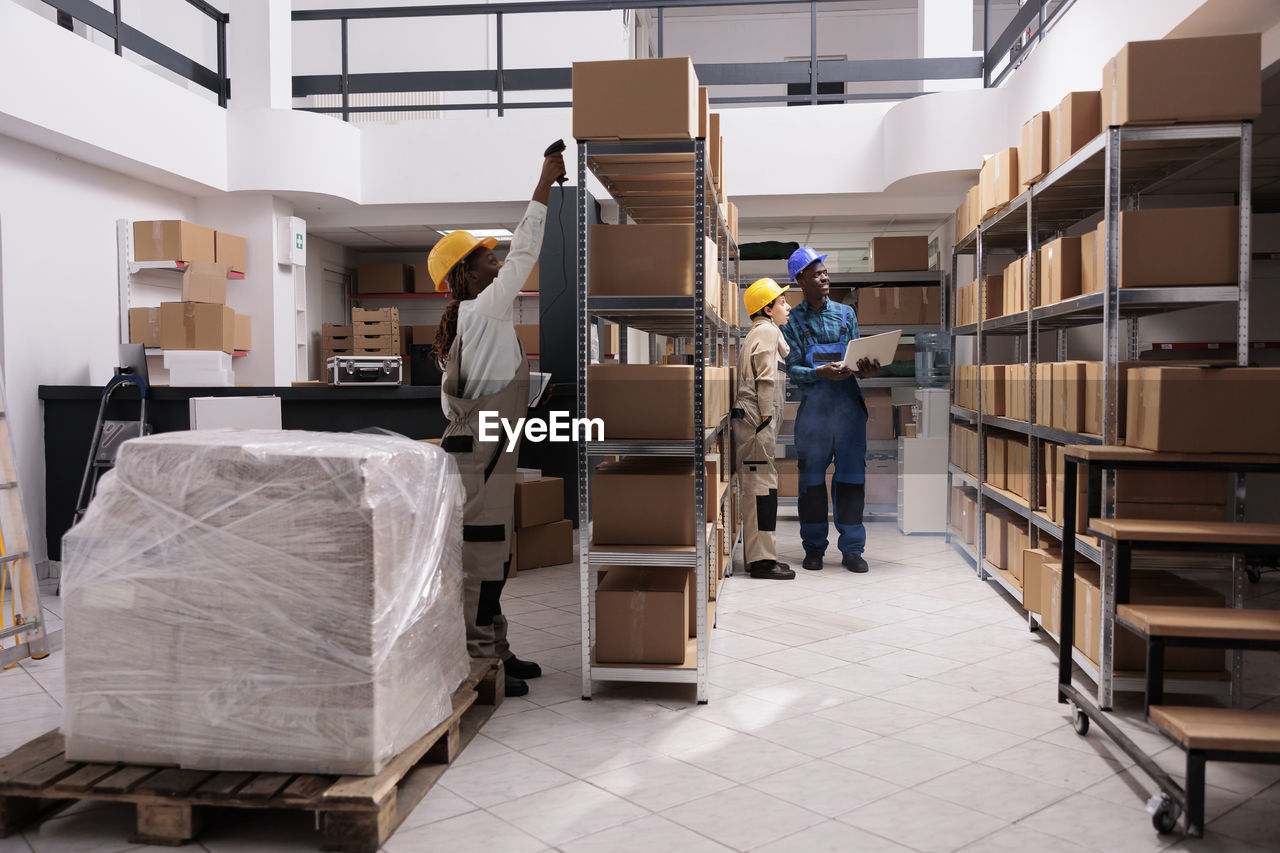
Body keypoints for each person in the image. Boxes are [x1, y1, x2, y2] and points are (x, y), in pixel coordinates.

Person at [429, 147, 566, 697]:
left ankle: (497, 648)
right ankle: (479, 660)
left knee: (497, 556)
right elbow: (526, 250)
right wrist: (544, 182)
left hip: (485, 454)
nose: (497, 263)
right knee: (484, 563)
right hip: (479, 462)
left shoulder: (473, 321)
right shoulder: (482, 311)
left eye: (494, 257)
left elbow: (480, 392)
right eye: (486, 259)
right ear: (465, 275)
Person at [780, 247, 880, 574]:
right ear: (800, 280)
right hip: (814, 411)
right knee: (811, 483)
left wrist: (864, 367)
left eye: (825, 272)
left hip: (849, 407)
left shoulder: (846, 314)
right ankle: (814, 549)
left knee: (851, 481)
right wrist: (818, 373)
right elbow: (791, 368)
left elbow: (856, 354)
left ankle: (852, 550)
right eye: (817, 274)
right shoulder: (791, 321)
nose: (825, 278)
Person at [733, 279, 796, 581]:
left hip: (757, 424)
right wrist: (767, 421)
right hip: (758, 424)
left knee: (762, 488)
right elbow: (766, 380)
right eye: (783, 302)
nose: (789, 306)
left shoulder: (764, 333)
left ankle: (762, 556)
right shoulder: (767, 332)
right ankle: (762, 562)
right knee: (760, 490)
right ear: (767, 308)